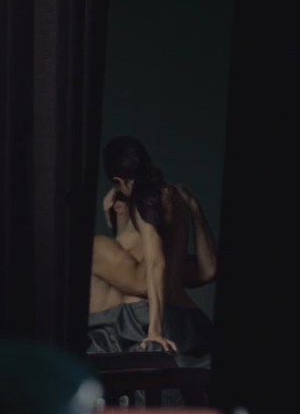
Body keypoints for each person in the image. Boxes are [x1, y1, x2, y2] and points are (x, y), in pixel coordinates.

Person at [86, 137, 218, 367]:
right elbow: (209, 271)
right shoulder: (175, 197)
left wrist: (155, 331)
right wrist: (196, 211)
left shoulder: (143, 197)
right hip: (190, 322)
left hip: (151, 320)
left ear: (119, 181)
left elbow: (155, 264)